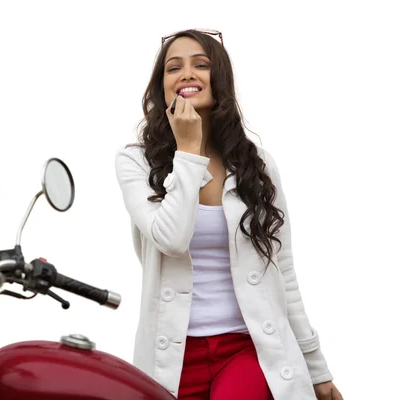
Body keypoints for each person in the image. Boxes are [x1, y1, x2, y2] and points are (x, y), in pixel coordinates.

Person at [114, 29, 343, 400]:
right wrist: (188, 150)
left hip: (247, 347)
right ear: (162, 87)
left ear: (220, 79)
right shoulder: (136, 162)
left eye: (200, 65)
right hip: (171, 355)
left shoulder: (257, 165)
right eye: (174, 68)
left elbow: (283, 271)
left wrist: (316, 368)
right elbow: (170, 239)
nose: (187, 74)